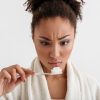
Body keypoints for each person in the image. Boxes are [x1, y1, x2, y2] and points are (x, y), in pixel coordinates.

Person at [0, 0, 100, 100]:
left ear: (74, 37)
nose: (55, 54)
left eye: (64, 42)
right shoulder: (12, 90)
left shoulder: (92, 89)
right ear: (33, 38)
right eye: (45, 43)